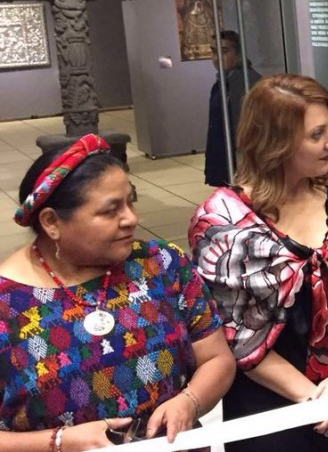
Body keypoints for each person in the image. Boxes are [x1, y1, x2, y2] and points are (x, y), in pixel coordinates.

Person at [189, 74, 328, 452]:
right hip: (270, 407)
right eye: (317, 134)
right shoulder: (223, 224)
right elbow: (235, 337)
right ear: (275, 144)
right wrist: (316, 401)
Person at [0, 134, 235, 452]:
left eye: (130, 201)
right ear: (51, 222)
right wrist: (60, 441)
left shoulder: (161, 264)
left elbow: (217, 358)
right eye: (111, 211)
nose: (132, 219)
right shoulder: (7, 305)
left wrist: (189, 402)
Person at [204, 30, 262, 186]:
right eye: (214, 51)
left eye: (224, 51)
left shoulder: (246, 83)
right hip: (226, 157)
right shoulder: (223, 82)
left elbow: (245, 129)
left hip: (241, 161)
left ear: (238, 54)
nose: (217, 58)